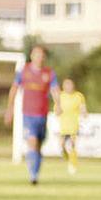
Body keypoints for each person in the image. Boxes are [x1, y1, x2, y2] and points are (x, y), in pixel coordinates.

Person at [5, 45, 60, 185]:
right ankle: (33, 175)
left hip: (42, 114)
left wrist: (58, 104)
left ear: (44, 57)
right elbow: (14, 89)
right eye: (36, 54)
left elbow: (55, 90)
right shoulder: (23, 71)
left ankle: (35, 171)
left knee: (39, 145)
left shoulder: (49, 73)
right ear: (31, 56)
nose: (39, 57)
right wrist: (10, 109)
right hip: (28, 114)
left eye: (41, 55)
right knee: (32, 141)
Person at [56, 78, 87, 174]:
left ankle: (73, 166)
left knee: (73, 146)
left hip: (74, 125)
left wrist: (84, 113)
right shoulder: (60, 96)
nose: (69, 87)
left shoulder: (79, 96)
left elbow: (83, 108)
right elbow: (57, 111)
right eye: (66, 85)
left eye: (70, 84)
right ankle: (68, 159)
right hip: (63, 126)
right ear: (63, 86)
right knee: (62, 147)